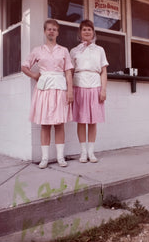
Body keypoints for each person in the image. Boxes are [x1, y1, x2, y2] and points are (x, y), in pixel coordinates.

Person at [21, 19, 73, 168]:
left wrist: (70, 90)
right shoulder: (38, 50)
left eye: (54, 29)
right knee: (45, 124)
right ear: (45, 31)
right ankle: (44, 158)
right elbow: (24, 66)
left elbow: (68, 71)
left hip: (59, 89)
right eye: (49, 29)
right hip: (44, 90)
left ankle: (60, 157)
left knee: (59, 124)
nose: (51, 31)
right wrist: (34, 75)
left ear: (58, 32)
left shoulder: (63, 50)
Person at [70, 19, 108, 163]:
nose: (87, 32)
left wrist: (103, 90)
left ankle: (91, 153)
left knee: (92, 122)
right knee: (81, 120)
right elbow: (70, 72)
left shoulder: (99, 50)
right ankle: (83, 152)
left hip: (95, 87)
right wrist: (69, 91)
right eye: (84, 29)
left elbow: (103, 71)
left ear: (93, 33)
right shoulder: (74, 51)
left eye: (89, 29)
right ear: (80, 33)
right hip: (79, 87)